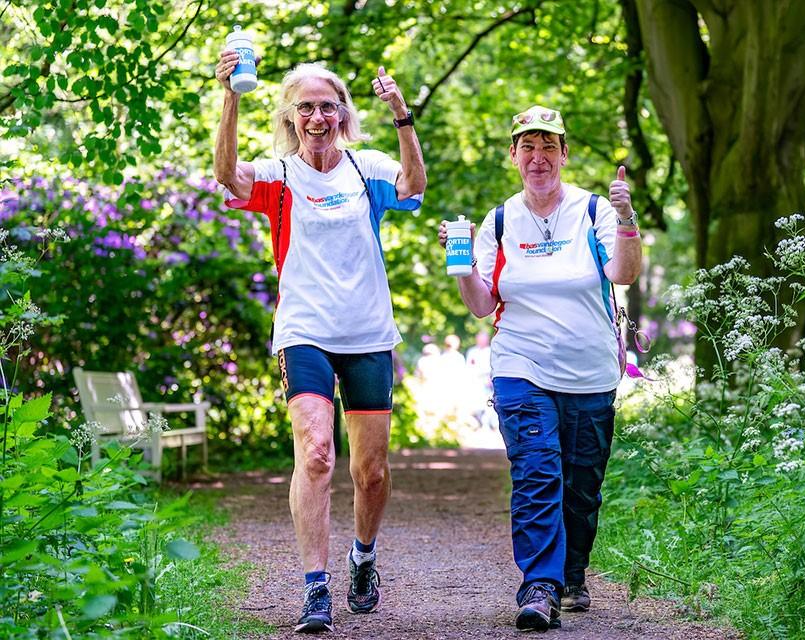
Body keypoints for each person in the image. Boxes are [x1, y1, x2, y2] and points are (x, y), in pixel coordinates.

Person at [214, 51, 426, 633]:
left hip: (367, 333)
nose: (316, 117)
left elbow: (413, 185)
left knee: (372, 471)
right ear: (290, 116)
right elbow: (226, 176)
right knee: (314, 451)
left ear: (342, 113)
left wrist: (402, 115)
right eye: (305, 107)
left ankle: (363, 555)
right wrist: (231, 95)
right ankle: (315, 587)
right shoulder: (279, 176)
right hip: (304, 329)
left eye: (327, 107)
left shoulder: (368, 168)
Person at [438, 105, 642, 631]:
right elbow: (483, 305)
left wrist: (625, 220)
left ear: (564, 154)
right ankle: (539, 585)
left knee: (581, 486)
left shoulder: (593, 209)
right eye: (528, 146)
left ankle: (572, 574)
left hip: (591, 371)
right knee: (536, 475)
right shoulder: (500, 221)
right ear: (513, 155)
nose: (538, 157)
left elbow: (623, 272)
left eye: (549, 146)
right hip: (520, 365)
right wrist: (460, 265)